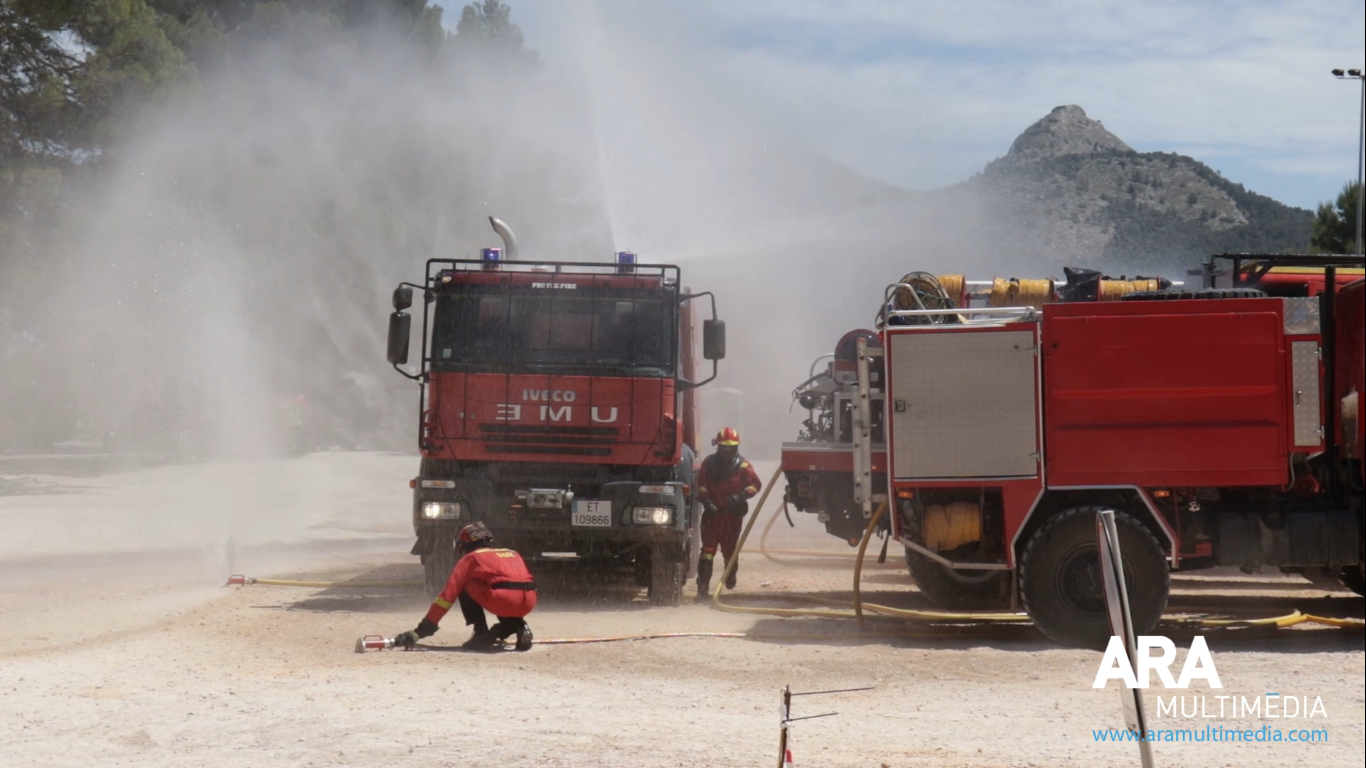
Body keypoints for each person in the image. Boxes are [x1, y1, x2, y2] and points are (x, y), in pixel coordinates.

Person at [394, 522, 537, 651]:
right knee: (503, 586)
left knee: (464, 584)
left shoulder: (470, 558)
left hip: (502, 600)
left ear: (466, 545)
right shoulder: (513, 553)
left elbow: (446, 597)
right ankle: (519, 626)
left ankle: (481, 632)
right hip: (529, 602)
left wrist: (421, 630)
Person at [694, 427, 763, 602]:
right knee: (707, 551)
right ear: (718, 447)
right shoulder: (708, 463)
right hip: (712, 516)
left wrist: (741, 496)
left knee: (730, 550)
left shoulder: (743, 466)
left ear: (736, 448)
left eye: (731, 449)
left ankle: (730, 575)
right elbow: (701, 484)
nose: (727, 452)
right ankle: (702, 589)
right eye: (724, 448)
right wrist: (706, 501)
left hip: (732, 517)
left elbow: (756, 485)